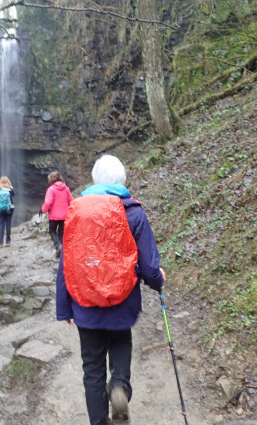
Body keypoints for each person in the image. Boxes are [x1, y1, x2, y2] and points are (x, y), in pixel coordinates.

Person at [56, 155, 166, 425]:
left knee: (91, 369)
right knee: (120, 342)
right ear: (123, 180)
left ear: (94, 180)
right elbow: (150, 265)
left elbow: (66, 263)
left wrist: (64, 306)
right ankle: (118, 386)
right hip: (121, 301)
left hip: (84, 303)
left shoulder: (76, 212)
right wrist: (158, 281)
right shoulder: (134, 212)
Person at [41, 171, 73, 256]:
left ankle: (58, 246)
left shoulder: (51, 189)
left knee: (52, 231)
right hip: (64, 216)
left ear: (51, 179)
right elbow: (71, 201)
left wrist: (43, 210)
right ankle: (62, 252)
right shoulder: (66, 189)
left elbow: (48, 202)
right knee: (61, 233)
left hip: (53, 216)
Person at [0, 176, 15, 247]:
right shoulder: (10, 190)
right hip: (9, 210)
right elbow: (13, 195)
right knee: (8, 224)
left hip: (0, 210)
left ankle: (0, 242)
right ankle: (8, 241)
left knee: (1, 225)